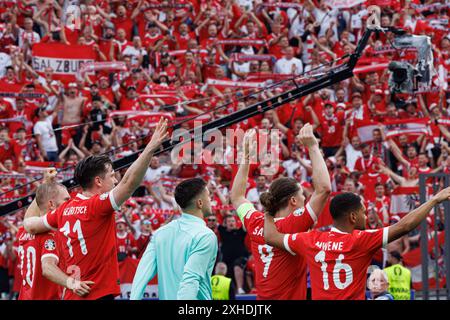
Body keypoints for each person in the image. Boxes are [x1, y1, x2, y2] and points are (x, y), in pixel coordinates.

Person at [23, 118, 169, 300]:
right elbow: (129, 182)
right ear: (98, 181)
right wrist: (150, 148)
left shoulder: (64, 210)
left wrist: (43, 189)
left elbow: (29, 225)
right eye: (111, 176)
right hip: (95, 292)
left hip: (73, 292)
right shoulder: (96, 205)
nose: (115, 180)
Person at [264, 188, 450, 300]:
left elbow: (270, 237)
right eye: (363, 212)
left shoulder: (309, 239)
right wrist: (434, 200)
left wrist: (269, 211)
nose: (365, 216)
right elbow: (405, 225)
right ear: (353, 217)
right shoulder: (362, 240)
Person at [230, 124, 331, 300]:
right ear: (293, 201)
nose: (305, 199)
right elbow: (324, 189)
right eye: (302, 196)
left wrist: (246, 157)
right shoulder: (294, 224)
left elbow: (237, 196)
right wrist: (313, 147)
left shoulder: (255, 222)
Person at [130, 178, 218, 300]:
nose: (211, 200)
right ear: (200, 203)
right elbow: (190, 279)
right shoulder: (205, 236)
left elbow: (142, 274)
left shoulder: (159, 233)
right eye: (209, 196)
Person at [19, 168, 94, 299]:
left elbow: (36, 208)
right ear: (52, 204)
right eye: (66, 199)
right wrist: (72, 284)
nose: (69, 203)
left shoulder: (24, 230)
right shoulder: (50, 235)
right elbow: (47, 268)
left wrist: (46, 183)